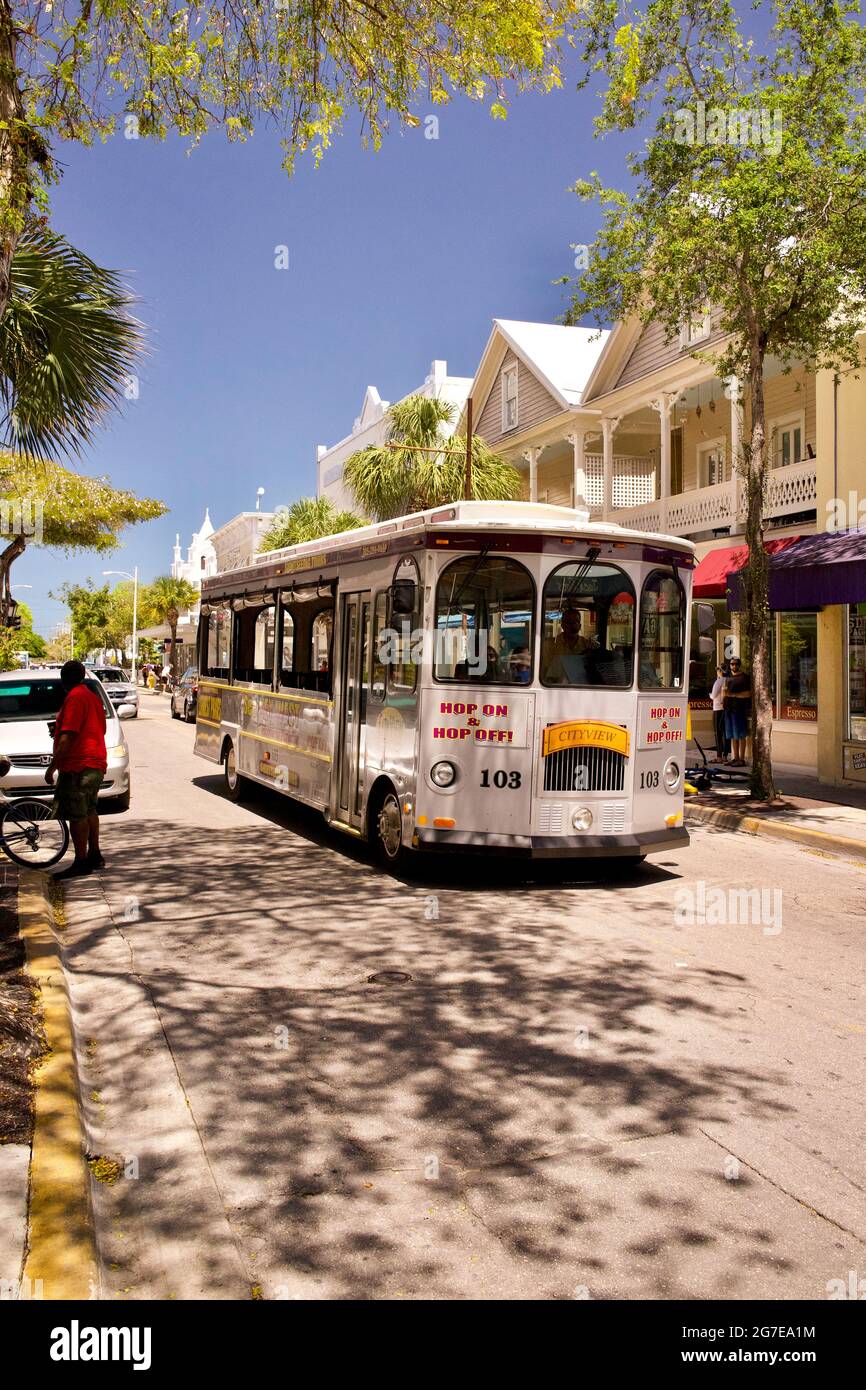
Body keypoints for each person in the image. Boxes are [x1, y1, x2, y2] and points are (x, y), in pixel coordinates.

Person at [45, 660, 107, 879]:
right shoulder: (92, 697)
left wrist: (52, 767)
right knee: (90, 810)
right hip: (95, 763)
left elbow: (68, 736)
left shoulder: (75, 698)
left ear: (64, 679)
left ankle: (81, 861)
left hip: (78, 765)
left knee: (77, 814)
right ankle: (94, 855)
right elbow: (99, 728)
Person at [543, 599, 597, 684]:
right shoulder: (550, 645)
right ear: (562, 625)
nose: (573, 624)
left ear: (580, 625)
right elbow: (545, 670)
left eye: (576, 621)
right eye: (569, 621)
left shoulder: (588, 645)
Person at [723, 656, 752, 765]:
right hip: (728, 709)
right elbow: (725, 692)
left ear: (739, 665)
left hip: (739, 710)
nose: (734, 666)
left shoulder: (744, 677)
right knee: (732, 735)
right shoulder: (728, 677)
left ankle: (742, 759)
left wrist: (733, 695)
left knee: (740, 735)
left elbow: (748, 694)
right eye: (732, 664)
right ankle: (735, 758)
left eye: (736, 664)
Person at [710, 664, 729, 762]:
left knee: (718, 733)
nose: (717, 672)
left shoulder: (718, 681)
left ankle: (719, 756)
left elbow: (713, 695)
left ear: (720, 671)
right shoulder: (729, 680)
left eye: (718, 670)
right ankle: (725, 755)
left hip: (718, 709)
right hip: (727, 709)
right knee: (726, 733)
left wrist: (710, 695)